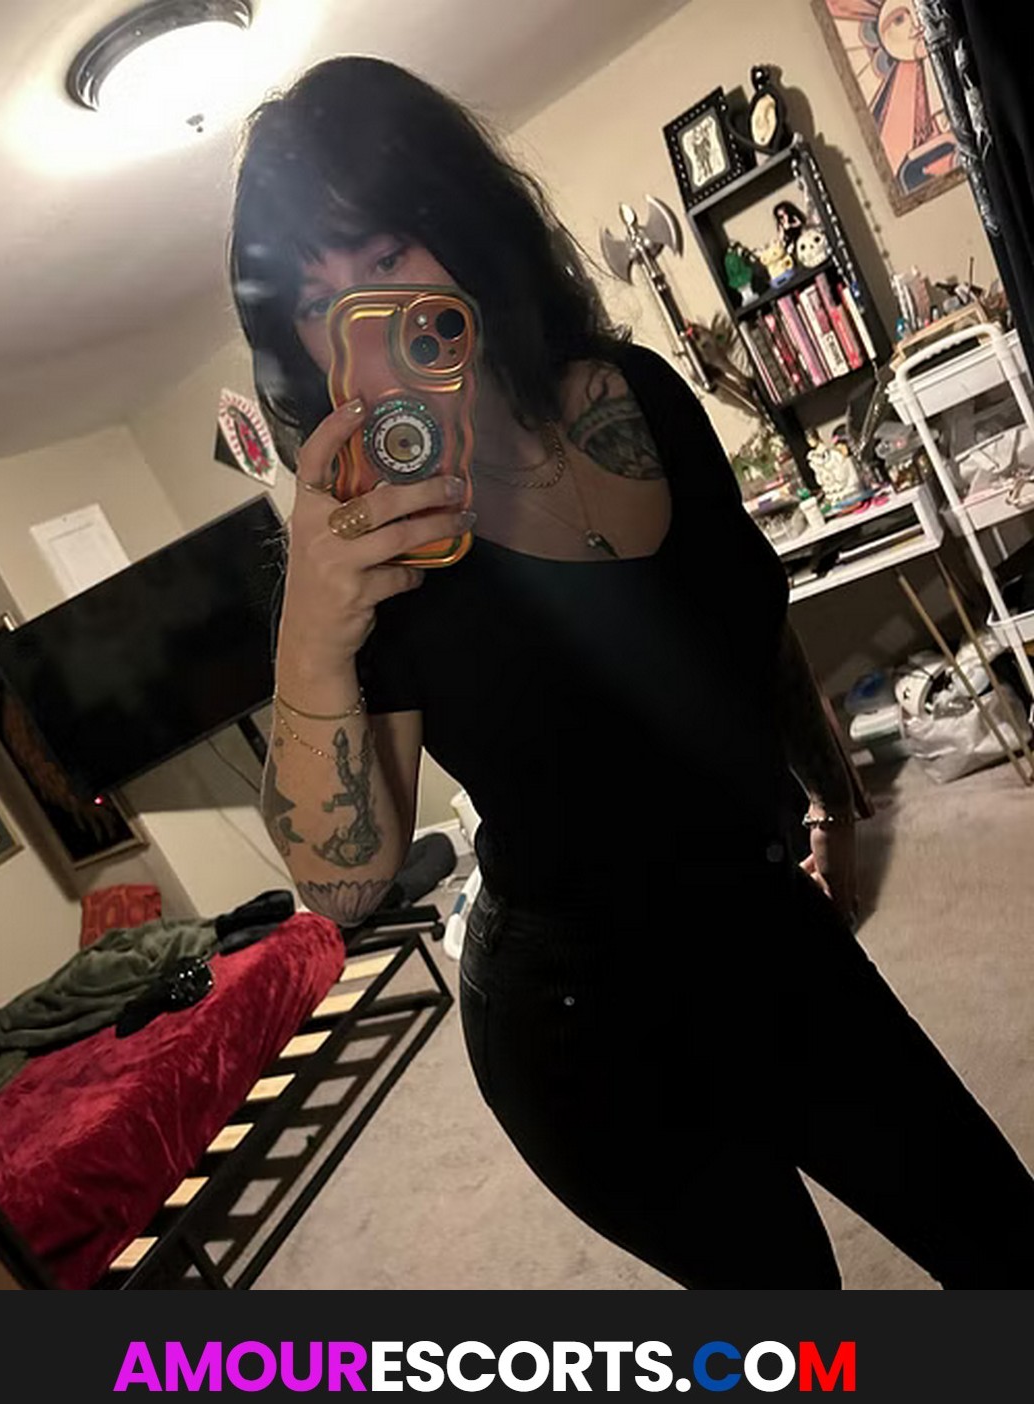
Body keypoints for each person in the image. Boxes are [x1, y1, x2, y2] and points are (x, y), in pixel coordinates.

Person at [229, 55, 1034, 1289]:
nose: (363, 320)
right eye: (312, 300)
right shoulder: (369, 542)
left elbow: (752, 628)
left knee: (1000, 1234)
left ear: (462, 223)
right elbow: (342, 884)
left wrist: (831, 808)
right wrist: (308, 633)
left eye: (385, 254)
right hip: (576, 1023)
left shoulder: (639, 396)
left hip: (760, 919)